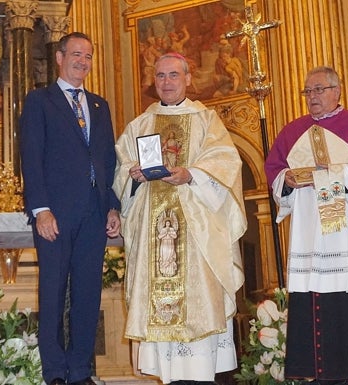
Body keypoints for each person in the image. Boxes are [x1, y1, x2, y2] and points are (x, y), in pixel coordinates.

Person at [113, 52, 247, 385]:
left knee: (200, 304)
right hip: (152, 235)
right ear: (153, 81)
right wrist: (133, 175)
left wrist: (191, 175)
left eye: (174, 75)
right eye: (160, 76)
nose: (167, 82)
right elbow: (119, 172)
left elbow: (227, 165)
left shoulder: (207, 121)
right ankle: (168, 376)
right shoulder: (140, 125)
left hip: (197, 235)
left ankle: (201, 375)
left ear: (188, 78)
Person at [264, 66, 348, 385]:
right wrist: (288, 180)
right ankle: (329, 377)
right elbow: (275, 172)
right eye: (308, 91)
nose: (313, 97)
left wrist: (334, 175)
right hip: (314, 239)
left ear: (338, 91)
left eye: (319, 89)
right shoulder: (292, 131)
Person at [19, 32, 121, 385]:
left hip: (94, 214)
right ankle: (54, 372)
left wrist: (112, 207)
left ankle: (80, 370)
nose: (83, 61)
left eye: (89, 56)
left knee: (87, 295)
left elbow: (108, 161)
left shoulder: (99, 105)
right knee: (52, 292)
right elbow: (31, 158)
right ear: (59, 58)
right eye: (76, 54)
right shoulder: (39, 101)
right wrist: (41, 209)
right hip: (55, 215)